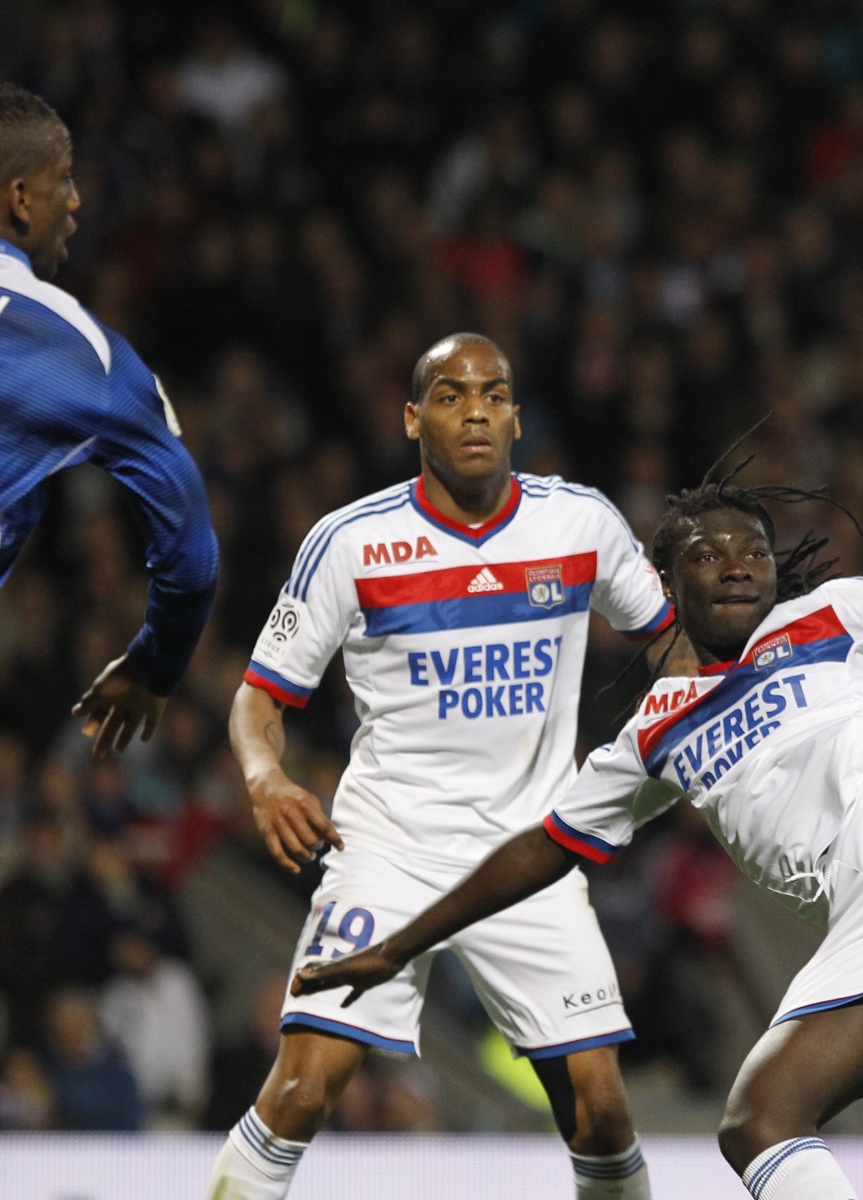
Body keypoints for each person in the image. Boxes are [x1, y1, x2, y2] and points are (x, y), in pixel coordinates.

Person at [290, 469, 863, 1200]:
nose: (736, 566)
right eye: (707, 554)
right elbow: (545, 847)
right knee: (757, 1123)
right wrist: (404, 942)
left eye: (753, 552)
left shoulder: (825, 616)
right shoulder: (654, 733)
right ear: (667, 583)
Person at [204, 333, 672, 1200]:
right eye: (452, 396)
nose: (476, 412)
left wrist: (662, 750)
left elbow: (671, 646)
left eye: (494, 395)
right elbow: (259, 697)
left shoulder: (580, 522)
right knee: (303, 1090)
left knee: (603, 1112)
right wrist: (266, 778)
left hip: (530, 857)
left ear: (517, 417)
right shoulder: (352, 542)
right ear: (413, 417)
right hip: (387, 848)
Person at [0, 83, 218, 759]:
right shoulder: (77, 352)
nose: (75, 201)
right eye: (62, 181)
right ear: (19, 198)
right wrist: (154, 664)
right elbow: (189, 552)